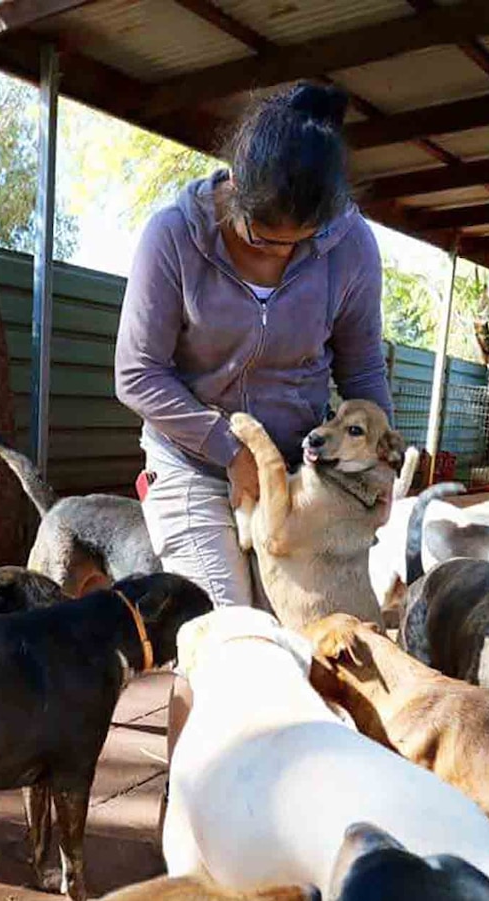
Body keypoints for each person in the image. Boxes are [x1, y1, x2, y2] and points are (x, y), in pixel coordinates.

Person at [115, 80, 393, 609]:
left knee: (306, 630)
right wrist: (230, 451)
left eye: (301, 242)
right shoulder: (173, 237)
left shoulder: (351, 245)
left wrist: (379, 460)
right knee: (231, 634)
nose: (279, 256)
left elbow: (361, 372)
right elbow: (137, 372)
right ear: (235, 185)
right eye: (263, 237)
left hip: (298, 468)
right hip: (189, 461)